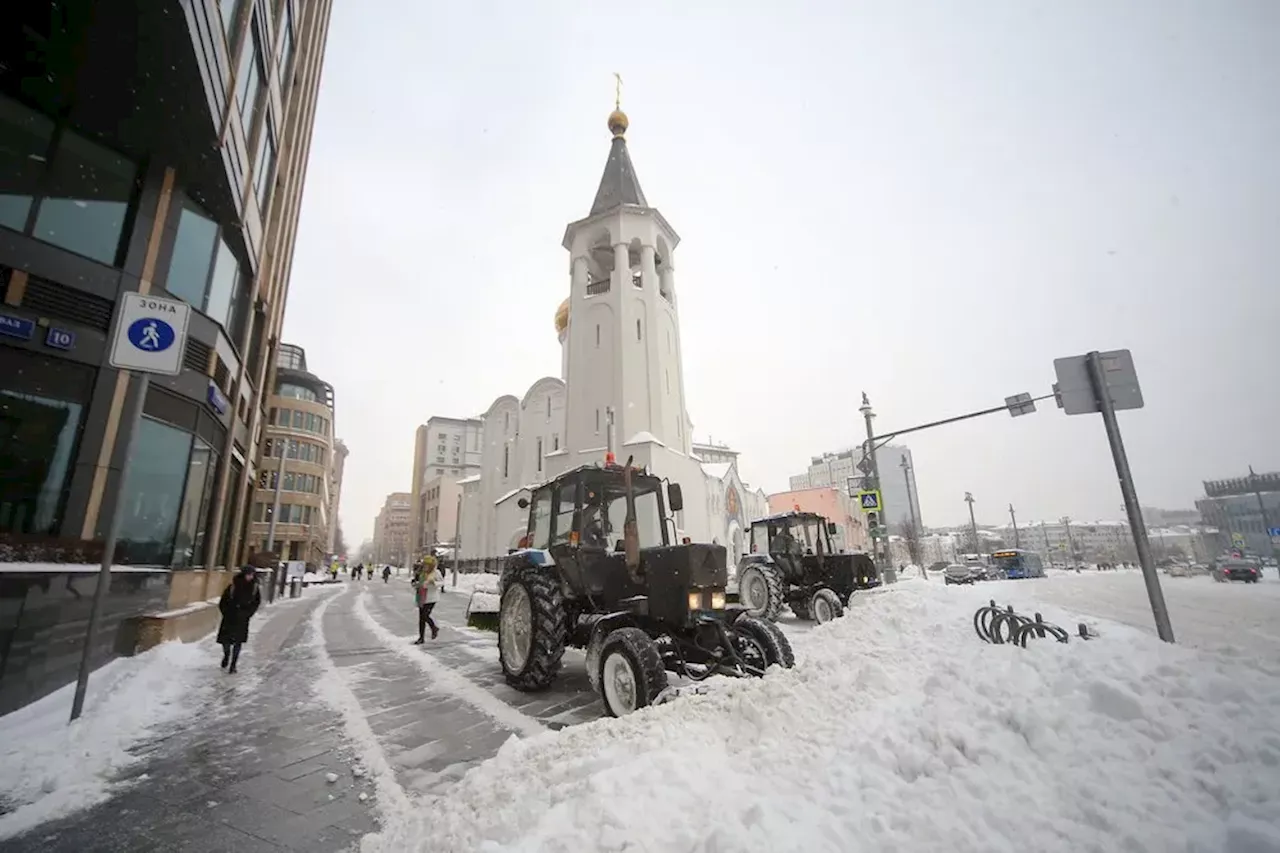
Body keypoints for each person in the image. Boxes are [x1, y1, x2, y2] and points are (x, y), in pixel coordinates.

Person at [217, 566, 262, 674]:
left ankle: (233, 665)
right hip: (230, 617)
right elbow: (223, 601)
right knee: (226, 642)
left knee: (238, 643)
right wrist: (226, 612)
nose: (250, 577)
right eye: (248, 574)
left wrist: (248, 614)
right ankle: (227, 655)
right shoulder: (233, 586)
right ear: (244, 574)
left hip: (243, 619)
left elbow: (256, 603)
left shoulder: (254, 588)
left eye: (252, 574)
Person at [412, 557, 440, 644]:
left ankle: (434, 628)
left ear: (431, 566)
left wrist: (433, 583)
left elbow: (442, 582)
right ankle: (421, 638)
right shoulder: (420, 573)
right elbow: (415, 581)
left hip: (431, 598)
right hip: (421, 597)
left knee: (425, 615)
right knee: (421, 619)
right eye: (424, 565)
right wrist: (415, 584)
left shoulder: (436, 573)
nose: (425, 567)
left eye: (427, 565)